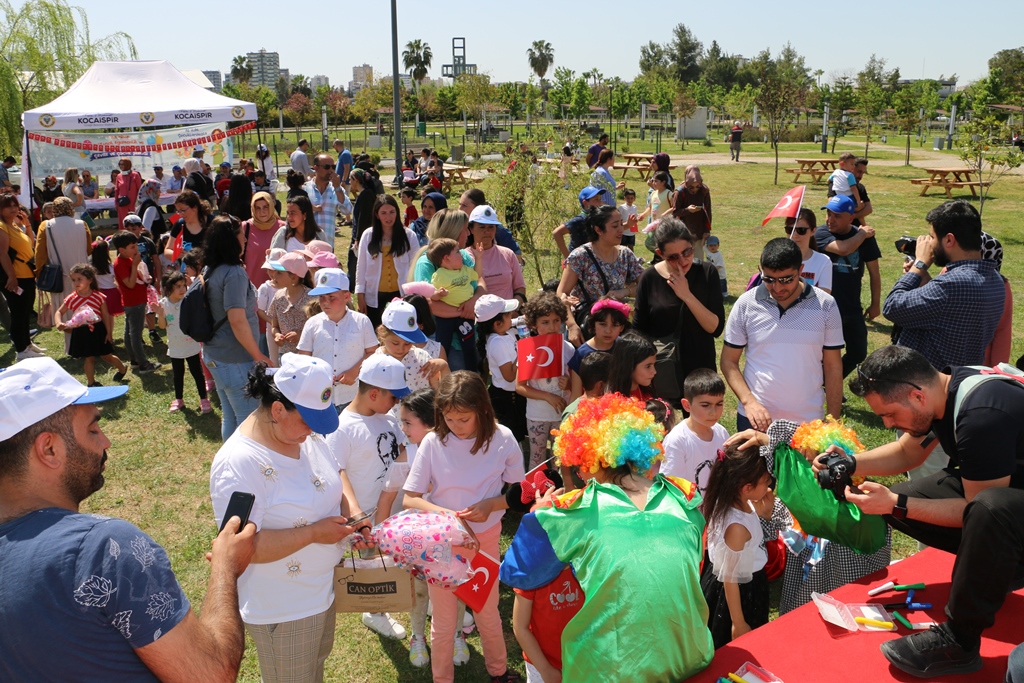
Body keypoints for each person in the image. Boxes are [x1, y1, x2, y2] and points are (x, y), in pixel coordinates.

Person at [0, 356, 256, 682]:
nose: (105, 440)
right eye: (93, 428)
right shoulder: (102, 549)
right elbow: (210, 674)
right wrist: (226, 567)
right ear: (48, 449)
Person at [819, 345, 1024, 678]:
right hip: (1010, 490)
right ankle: (1001, 567)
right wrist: (850, 463)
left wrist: (897, 505)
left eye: (890, 415)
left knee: (987, 509)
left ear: (916, 396)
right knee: (904, 499)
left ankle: (960, 640)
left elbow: (976, 508)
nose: (886, 424)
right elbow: (905, 454)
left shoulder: (981, 414)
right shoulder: (943, 389)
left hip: (1001, 501)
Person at [501, 393, 715, 682]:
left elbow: (518, 571)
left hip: (611, 671)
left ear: (592, 458)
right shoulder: (684, 499)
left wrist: (540, 514)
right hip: (688, 656)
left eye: (579, 463)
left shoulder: (572, 513)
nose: (578, 471)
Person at [210, 354, 357, 683]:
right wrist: (315, 533)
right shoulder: (239, 463)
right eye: (307, 421)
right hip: (284, 608)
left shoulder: (303, 434)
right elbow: (239, 548)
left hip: (320, 591)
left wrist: (350, 512)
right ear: (277, 410)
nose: (312, 432)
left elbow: (333, 474)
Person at [404, 371, 527, 683]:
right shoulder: (432, 441)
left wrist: (492, 505)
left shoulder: (504, 438)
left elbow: (520, 494)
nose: (454, 427)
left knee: (486, 612)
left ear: (483, 410)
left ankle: (498, 672)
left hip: (484, 542)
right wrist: (451, 519)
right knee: (444, 621)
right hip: (442, 544)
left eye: (463, 419)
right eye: (447, 418)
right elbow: (411, 499)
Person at [326, 353, 410, 640]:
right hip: (366, 518)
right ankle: (375, 612)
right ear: (374, 393)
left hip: (394, 510)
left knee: (397, 557)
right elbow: (337, 472)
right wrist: (357, 513)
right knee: (373, 564)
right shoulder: (342, 427)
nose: (397, 403)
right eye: (394, 397)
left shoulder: (387, 419)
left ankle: (414, 596)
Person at [721, 238, 844, 432]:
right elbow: (728, 361)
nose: (777, 288)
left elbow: (833, 366)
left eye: (786, 279)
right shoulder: (745, 304)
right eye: (769, 279)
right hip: (755, 420)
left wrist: (834, 421)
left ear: (801, 270)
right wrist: (749, 402)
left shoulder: (826, 305)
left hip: (808, 422)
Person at [376, 388, 437, 666]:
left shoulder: (455, 450)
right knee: (419, 590)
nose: (402, 429)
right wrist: (382, 540)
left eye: (408, 422)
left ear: (432, 422)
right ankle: (418, 637)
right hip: (416, 540)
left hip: (449, 538)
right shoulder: (407, 455)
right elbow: (387, 498)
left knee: (452, 589)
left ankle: (456, 634)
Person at [634, 217, 725, 402]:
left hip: (700, 372)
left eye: (687, 252)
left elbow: (715, 328)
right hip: (662, 372)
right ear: (660, 253)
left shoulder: (707, 273)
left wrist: (687, 295)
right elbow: (638, 332)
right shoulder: (648, 278)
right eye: (673, 257)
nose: (683, 261)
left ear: (693, 245)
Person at [202, 215, 272, 441]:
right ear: (231, 240)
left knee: (230, 415)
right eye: (242, 235)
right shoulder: (234, 273)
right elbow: (237, 319)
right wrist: (258, 355)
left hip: (216, 353)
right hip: (234, 359)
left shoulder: (210, 268)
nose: (245, 239)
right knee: (248, 418)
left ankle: (229, 470)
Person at [700, 441, 774, 649]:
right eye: (766, 482)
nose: (769, 487)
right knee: (732, 645)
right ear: (747, 488)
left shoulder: (733, 500)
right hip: (738, 592)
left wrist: (765, 513)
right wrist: (738, 623)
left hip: (740, 580)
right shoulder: (736, 529)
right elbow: (730, 580)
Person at [558, 205, 644, 347]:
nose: (621, 229)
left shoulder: (625, 254)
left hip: (618, 327)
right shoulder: (580, 256)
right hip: (589, 329)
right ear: (598, 230)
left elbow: (645, 285)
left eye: (621, 224)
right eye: (615, 226)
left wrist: (625, 291)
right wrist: (572, 326)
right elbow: (561, 294)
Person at [815, 194, 881, 379]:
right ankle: (819, 385)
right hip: (824, 308)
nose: (830, 219)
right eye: (828, 214)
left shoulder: (866, 239)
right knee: (821, 353)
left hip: (851, 307)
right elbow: (843, 249)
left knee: (858, 352)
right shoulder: (821, 234)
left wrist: (875, 303)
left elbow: (874, 273)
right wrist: (861, 233)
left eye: (837, 215)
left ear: (851, 218)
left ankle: (827, 383)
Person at [297, 268, 378, 412]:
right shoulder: (312, 324)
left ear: (346, 296)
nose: (325, 302)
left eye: (331, 297)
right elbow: (303, 358)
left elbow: (373, 352)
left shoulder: (361, 321)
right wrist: (318, 375)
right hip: (320, 397)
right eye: (321, 297)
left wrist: (354, 371)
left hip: (354, 396)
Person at [517, 291, 583, 469]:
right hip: (536, 415)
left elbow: (577, 382)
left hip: (561, 416)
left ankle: (558, 493)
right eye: (545, 322)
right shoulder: (528, 349)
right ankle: (533, 494)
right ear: (533, 324)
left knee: (559, 460)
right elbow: (520, 387)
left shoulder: (568, 348)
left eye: (556, 321)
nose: (552, 327)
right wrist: (548, 396)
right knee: (537, 458)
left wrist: (569, 384)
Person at [511, 545, 584, 683]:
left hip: (584, 662)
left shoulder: (589, 568)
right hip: (541, 664)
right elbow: (520, 627)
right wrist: (545, 670)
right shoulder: (531, 571)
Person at [34, 197, 93, 349]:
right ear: (70, 208)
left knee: (65, 312)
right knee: (85, 309)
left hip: (60, 277)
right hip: (84, 276)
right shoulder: (82, 224)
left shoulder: (46, 226)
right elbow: (88, 249)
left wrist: (39, 272)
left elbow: (40, 254)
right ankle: (88, 345)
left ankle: (71, 347)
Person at [55, 263, 128, 387]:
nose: (76, 282)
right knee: (89, 358)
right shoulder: (72, 298)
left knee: (107, 356)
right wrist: (58, 323)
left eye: (79, 279)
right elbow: (59, 311)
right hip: (81, 331)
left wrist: (109, 333)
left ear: (89, 280)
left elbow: (105, 316)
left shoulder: (99, 297)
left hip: (98, 329)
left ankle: (122, 368)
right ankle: (91, 382)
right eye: (73, 280)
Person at [661, 369, 729, 495]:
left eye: (719, 404)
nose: (713, 412)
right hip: (691, 512)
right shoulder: (677, 440)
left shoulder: (721, 432)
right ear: (687, 405)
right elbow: (672, 488)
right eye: (705, 405)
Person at [355, 194, 418, 328]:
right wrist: (360, 295)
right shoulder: (368, 236)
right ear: (377, 214)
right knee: (376, 330)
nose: (388, 217)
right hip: (375, 295)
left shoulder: (409, 235)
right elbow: (361, 267)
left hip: (402, 293)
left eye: (392, 212)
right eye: (383, 213)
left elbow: (415, 266)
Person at [152, 270, 209, 413]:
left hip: (191, 344)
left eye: (184, 285)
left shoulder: (187, 301)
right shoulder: (164, 304)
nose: (182, 289)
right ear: (168, 288)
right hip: (175, 346)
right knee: (178, 374)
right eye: (178, 286)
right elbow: (163, 326)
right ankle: (179, 399)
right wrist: (160, 314)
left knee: (197, 372)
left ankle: (204, 399)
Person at [476, 293, 528, 443]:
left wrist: (522, 320)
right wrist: (524, 351)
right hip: (507, 399)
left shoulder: (503, 331)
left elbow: (512, 322)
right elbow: (510, 376)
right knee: (510, 437)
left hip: (513, 395)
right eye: (507, 314)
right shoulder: (497, 343)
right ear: (497, 324)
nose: (511, 316)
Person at [428, 237, 484, 370]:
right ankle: (441, 372)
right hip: (445, 318)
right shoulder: (439, 275)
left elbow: (478, 275)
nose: (462, 255)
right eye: (458, 252)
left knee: (469, 345)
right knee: (443, 346)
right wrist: (439, 294)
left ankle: (472, 372)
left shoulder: (464, 270)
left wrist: (479, 258)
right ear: (447, 258)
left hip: (465, 316)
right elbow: (432, 296)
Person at [111, 231, 160, 375]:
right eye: (132, 247)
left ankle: (134, 361)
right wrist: (135, 266)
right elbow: (130, 284)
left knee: (129, 331)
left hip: (136, 300)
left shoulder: (129, 259)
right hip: (134, 302)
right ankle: (143, 364)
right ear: (121, 250)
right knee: (135, 333)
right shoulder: (121, 263)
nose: (136, 249)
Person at [376, 299, 448, 394]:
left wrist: (443, 366)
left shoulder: (422, 357)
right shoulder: (376, 361)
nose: (401, 349)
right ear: (382, 333)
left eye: (407, 343)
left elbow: (440, 391)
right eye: (395, 343)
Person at [468, 204, 527, 304]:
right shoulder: (464, 257)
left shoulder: (508, 254)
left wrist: (514, 307)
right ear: (471, 229)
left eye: (491, 227)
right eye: (482, 227)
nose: (487, 231)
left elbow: (520, 287)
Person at [267, 252, 313, 357]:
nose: (274, 275)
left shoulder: (312, 298)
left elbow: (319, 328)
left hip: (307, 354)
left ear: (294, 278)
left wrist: (301, 335)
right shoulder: (278, 297)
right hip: (284, 355)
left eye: (279, 273)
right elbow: (274, 326)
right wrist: (277, 335)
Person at [568, 298, 629, 374]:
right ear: (593, 324)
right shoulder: (581, 354)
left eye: (614, 325)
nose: (608, 331)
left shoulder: (625, 348)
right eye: (603, 324)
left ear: (622, 327)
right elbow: (575, 385)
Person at [304, 154, 351, 250]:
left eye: (333, 167)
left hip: (327, 246)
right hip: (306, 246)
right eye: (326, 167)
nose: (331, 170)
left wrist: (337, 187)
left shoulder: (337, 190)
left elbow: (347, 211)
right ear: (316, 168)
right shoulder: (305, 189)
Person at [242, 191, 285, 289]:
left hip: (277, 288)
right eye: (257, 208)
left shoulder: (283, 227)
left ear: (271, 206)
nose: (262, 212)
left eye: (265, 207)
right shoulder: (245, 227)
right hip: (250, 289)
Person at [784, 208, 832, 293]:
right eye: (790, 230)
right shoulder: (778, 258)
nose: (794, 235)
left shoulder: (823, 261)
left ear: (813, 231)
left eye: (801, 230)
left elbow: (825, 299)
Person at [671, 165, 712, 260]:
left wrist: (707, 230)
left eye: (697, 186)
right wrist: (687, 210)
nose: (695, 189)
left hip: (699, 231)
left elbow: (708, 210)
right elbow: (675, 212)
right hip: (683, 231)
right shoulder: (680, 192)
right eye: (691, 187)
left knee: (698, 260)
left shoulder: (704, 191)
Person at [552, 186, 604, 258]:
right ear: (585, 203)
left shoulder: (597, 218)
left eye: (600, 199)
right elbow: (557, 233)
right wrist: (567, 257)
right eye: (596, 200)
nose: (600, 202)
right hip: (578, 260)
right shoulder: (580, 220)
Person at [164, 190, 211, 269]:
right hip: (187, 274)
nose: (180, 214)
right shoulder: (179, 224)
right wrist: (177, 254)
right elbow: (167, 251)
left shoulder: (212, 222)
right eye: (178, 211)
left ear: (195, 208)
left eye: (183, 210)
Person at [606, 332, 657, 401]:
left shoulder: (646, 392)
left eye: (654, 365)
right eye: (648, 366)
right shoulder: (614, 401)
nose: (654, 372)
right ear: (629, 366)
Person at [114, 158, 143, 229]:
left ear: (128, 165)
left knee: (134, 222)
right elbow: (117, 190)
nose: (121, 166)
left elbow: (140, 190)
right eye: (120, 164)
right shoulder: (119, 176)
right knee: (124, 222)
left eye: (123, 164)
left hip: (133, 204)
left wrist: (139, 202)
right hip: (122, 204)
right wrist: (116, 203)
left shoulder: (135, 175)